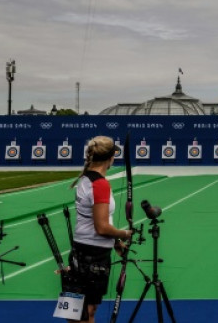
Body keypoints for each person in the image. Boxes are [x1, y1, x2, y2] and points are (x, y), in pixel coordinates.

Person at [68, 136, 133, 323]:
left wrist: (116, 242)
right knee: (87, 310)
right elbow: (102, 227)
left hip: (81, 249)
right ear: (111, 158)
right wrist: (124, 234)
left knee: (77, 310)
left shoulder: (86, 178)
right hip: (93, 254)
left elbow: (97, 221)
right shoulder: (100, 184)